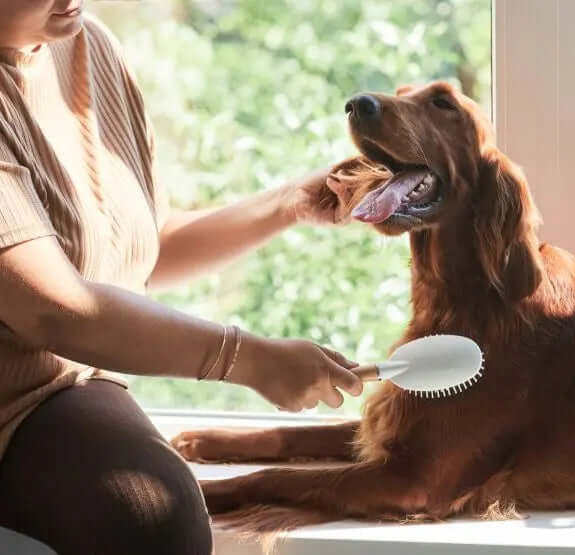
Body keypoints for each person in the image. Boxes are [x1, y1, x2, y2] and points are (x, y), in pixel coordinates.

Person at [0, 1, 364, 553]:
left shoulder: (84, 43)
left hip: (68, 384)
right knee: (150, 514)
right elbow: (53, 308)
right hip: (16, 397)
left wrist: (287, 205)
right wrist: (251, 359)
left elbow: (144, 246)